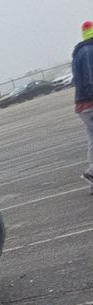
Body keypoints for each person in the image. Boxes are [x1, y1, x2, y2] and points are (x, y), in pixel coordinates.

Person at [77, 21, 93, 184]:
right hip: (89, 103)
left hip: (83, 104)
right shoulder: (89, 51)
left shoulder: (81, 51)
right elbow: (90, 79)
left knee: (92, 139)